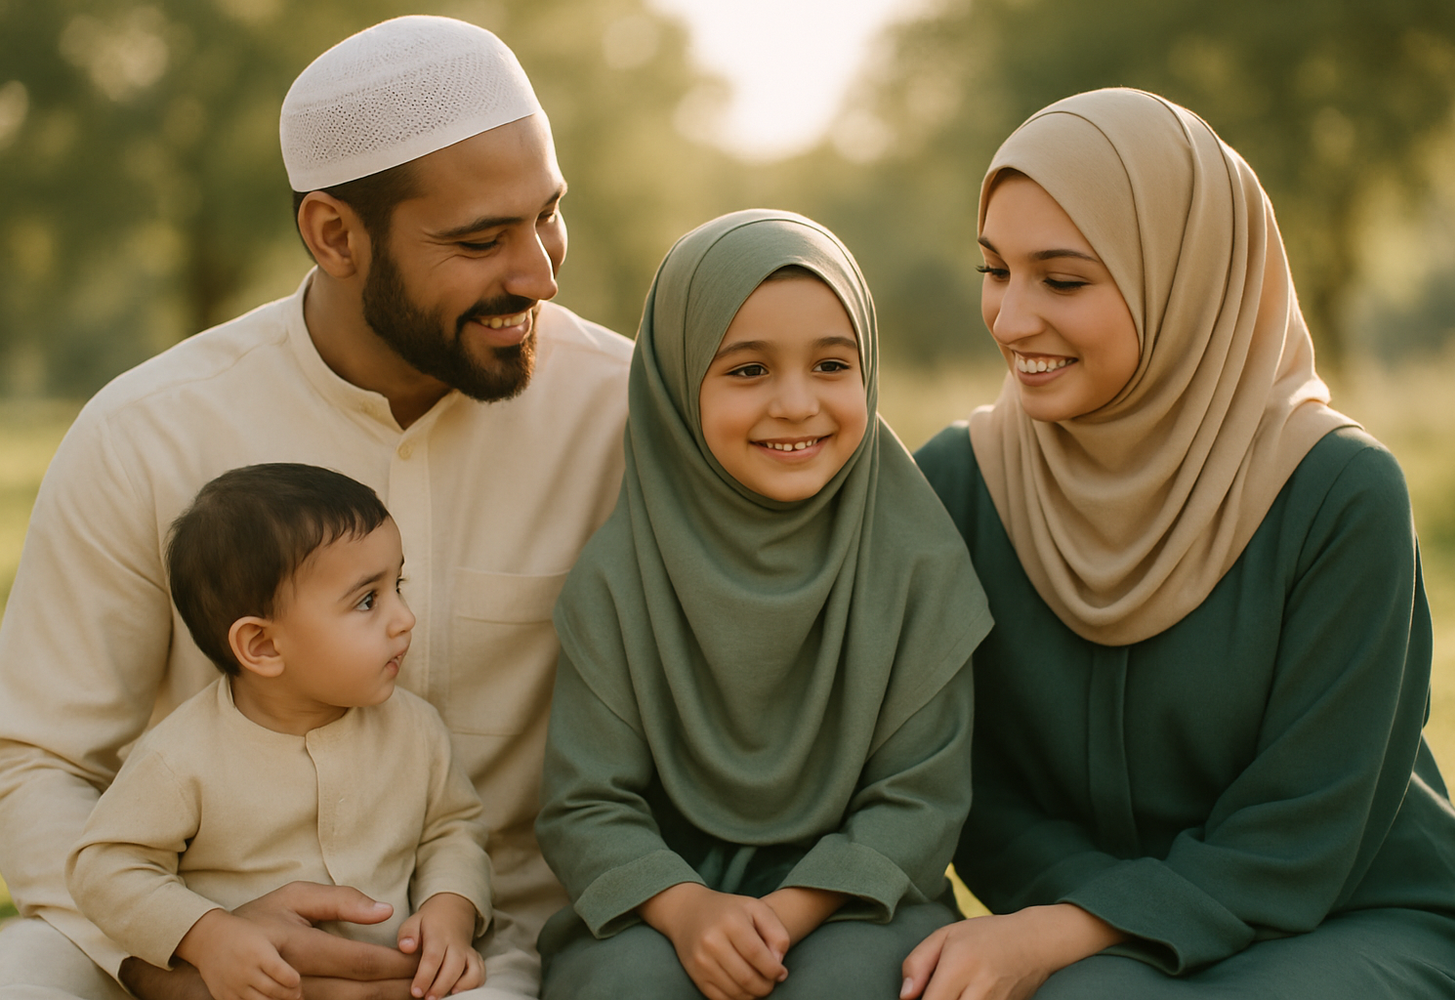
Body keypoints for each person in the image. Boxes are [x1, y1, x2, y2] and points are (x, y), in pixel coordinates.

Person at [0, 15, 632, 1000]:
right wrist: (187, 956)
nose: (540, 275)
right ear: (335, 233)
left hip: (498, 954)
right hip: (200, 939)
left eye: (547, 213)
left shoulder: (631, 413)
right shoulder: (145, 433)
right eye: (480, 239)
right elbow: (35, 763)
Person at [902, 88, 1455, 999]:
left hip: (1360, 915)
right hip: (1094, 934)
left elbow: (1311, 820)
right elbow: (960, 773)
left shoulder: (1337, 490)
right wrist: (1085, 922)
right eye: (995, 270)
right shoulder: (959, 483)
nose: (1012, 319)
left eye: (1062, 279)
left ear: (1185, 278)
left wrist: (1077, 927)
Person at [533, 209, 994, 1000]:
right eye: (747, 371)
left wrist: (788, 910)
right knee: (626, 987)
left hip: (859, 902)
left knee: (860, 985)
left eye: (831, 366)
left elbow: (921, 795)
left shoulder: (917, 561)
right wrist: (684, 910)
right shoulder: (621, 576)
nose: (795, 403)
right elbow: (586, 803)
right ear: (679, 386)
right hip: (661, 898)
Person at [67, 464, 492, 1000]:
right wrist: (207, 936)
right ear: (263, 646)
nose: (404, 618)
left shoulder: (416, 729)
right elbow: (105, 868)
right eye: (368, 600)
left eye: (398, 584)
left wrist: (451, 906)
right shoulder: (182, 757)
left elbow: (452, 829)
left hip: (402, 982)